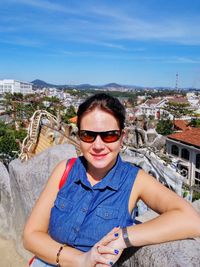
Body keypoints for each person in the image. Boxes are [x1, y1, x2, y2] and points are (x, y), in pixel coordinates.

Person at [23, 93, 200, 267]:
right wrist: (79, 260)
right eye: (88, 135)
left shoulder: (134, 180)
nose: (98, 145)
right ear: (79, 137)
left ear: (122, 138)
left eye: (109, 135)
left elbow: (191, 221)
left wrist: (123, 237)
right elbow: (31, 236)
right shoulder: (65, 170)